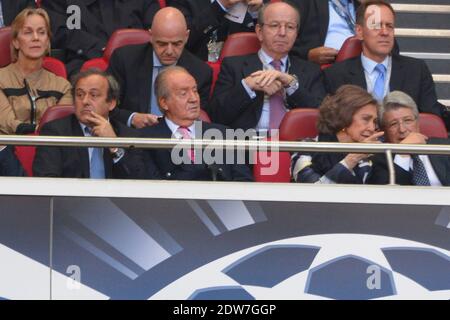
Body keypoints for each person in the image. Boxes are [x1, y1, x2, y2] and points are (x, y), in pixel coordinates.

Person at [323, 0, 448, 126]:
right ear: (359, 32)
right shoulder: (335, 75)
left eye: (389, 26)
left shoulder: (416, 71)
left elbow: (432, 122)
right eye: (376, 25)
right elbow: (331, 127)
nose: (384, 32)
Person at [210, 1, 325, 132]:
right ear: (259, 31)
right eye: (274, 25)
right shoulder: (234, 66)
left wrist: (290, 84)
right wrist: (247, 86)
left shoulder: (311, 71)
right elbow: (216, 116)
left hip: (296, 145)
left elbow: (324, 117)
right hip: (249, 144)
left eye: (290, 27)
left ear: (297, 33)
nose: (282, 33)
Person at [139, 66, 253, 181]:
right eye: (183, 94)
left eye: (195, 91)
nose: (194, 99)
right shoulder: (146, 140)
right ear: (164, 103)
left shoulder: (223, 134)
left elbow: (244, 182)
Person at [107, 7, 212, 129]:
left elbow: (197, 120)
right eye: (161, 44)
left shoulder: (201, 71)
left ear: (186, 36)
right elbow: (104, 105)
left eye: (177, 44)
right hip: (132, 136)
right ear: (151, 36)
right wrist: (132, 118)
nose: (169, 51)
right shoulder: (125, 60)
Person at [33, 69, 146, 179]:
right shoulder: (55, 132)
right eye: (80, 95)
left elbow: (139, 181)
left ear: (111, 103)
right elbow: (46, 180)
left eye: (94, 95)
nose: (85, 101)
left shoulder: (129, 136)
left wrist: (114, 145)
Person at [0, 8, 72, 135]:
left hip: (50, 151)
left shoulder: (63, 86)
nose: (36, 38)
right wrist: (37, 129)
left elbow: (60, 128)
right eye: (28, 32)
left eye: (42, 32)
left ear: (48, 41)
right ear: (16, 42)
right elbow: (7, 123)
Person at [291, 84, 383, 184]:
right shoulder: (305, 149)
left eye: (374, 121)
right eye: (366, 119)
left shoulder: (371, 156)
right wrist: (351, 160)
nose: (372, 128)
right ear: (344, 116)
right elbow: (314, 193)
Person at [41, 0, 160, 76]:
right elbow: (58, 30)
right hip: (83, 62)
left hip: (137, 63)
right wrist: (102, 49)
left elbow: (158, 28)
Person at [369, 91, 450, 186]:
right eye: (393, 124)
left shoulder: (444, 148)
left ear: (418, 123)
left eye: (408, 120)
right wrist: (403, 153)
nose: (402, 129)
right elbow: (389, 195)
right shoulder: (380, 160)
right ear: (384, 131)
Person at [168, 0, 265, 61]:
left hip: (237, 75)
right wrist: (220, 5)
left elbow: (263, 45)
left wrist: (255, 13)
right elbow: (184, 40)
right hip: (196, 70)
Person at [290, 0, 360, 64]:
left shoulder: (361, 3)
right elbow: (283, 38)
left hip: (363, 59)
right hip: (329, 66)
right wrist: (306, 55)